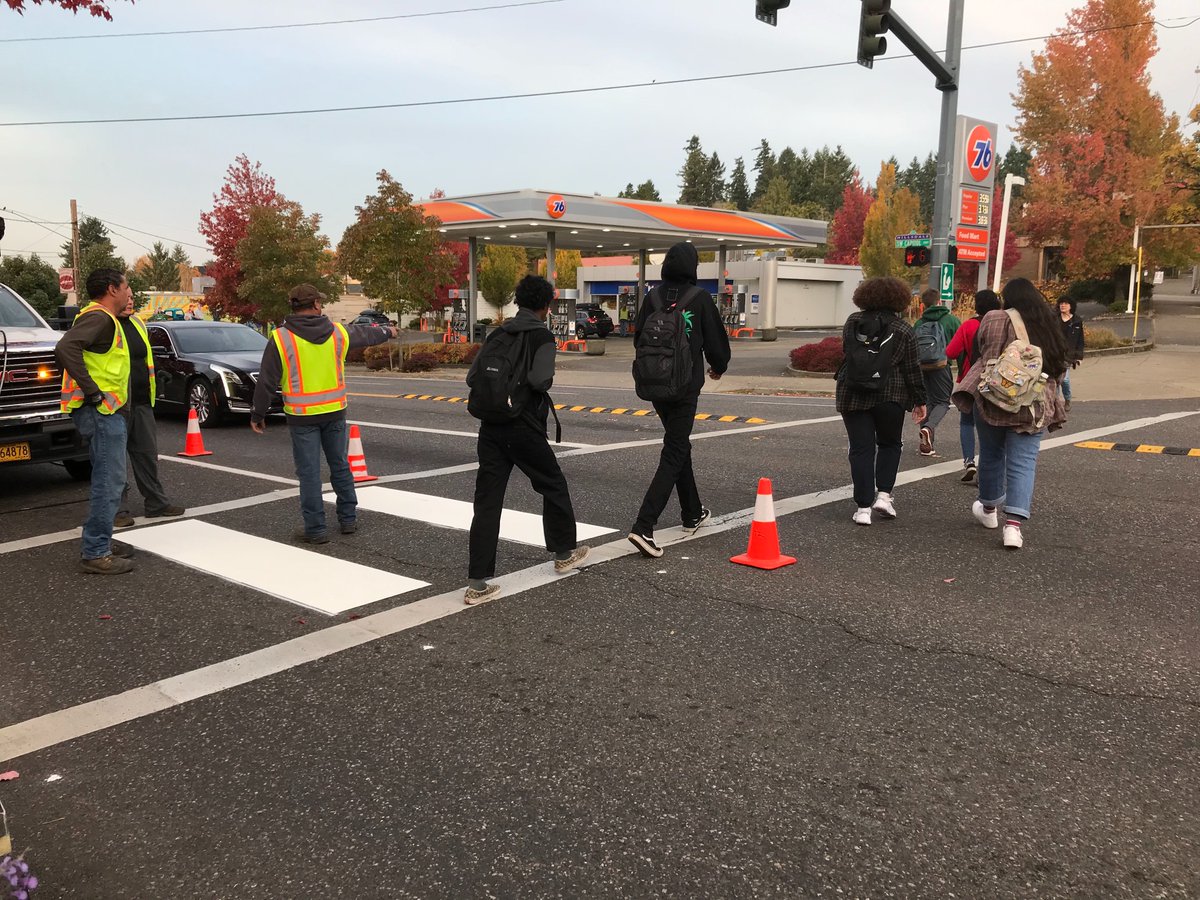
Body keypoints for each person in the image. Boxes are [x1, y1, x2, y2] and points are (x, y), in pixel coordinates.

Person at [465, 275, 589, 604]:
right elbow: (540, 380)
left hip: (490, 426)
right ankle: (564, 553)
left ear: (518, 301)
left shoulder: (498, 333)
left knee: (487, 501)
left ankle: (477, 583)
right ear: (546, 306)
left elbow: (472, 376)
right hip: (523, 425)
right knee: (552, 484)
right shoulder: (542, 336)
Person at [250, 284, 396, 543]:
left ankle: (316, 529)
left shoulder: (281, 338)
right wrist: (388, 331)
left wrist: (258, 413)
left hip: (301, 416)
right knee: (340, 465)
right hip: (334, 411)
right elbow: (366, 335)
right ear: (316, 304)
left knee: (309, 473)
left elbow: (267, 380)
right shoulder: (337, 332)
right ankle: (348, 519)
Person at [627, 241, 731, 558]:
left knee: (678, 443)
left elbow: (638, 338)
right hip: (685, 386)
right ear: (692, 266)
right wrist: (718, 366)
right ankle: (644, 526)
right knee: (674, 449)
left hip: (655, 384)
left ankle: (692, 513)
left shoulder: (653, 297)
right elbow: (716, 344)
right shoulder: (699, 298)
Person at [953, 278, 1068, 550]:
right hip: (1032, 403)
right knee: (1023, 462)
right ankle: (1013, 528)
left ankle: (989, 509)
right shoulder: (1047, 323)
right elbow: (1059, 365)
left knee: (991, 454)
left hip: (993, 398)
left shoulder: (994, 318)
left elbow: (984, 353)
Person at [56, 269, 136, 574]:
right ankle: (96, 551)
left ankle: (101, 541)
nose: (129, 293)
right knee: (110, 480)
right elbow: (65, 348)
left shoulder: (101, 318)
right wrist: (93, 392)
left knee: (107, 478)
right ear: (113, 289)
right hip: (102, 412)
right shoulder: (100, 318)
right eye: (126, 287)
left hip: (102, 411)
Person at [836, 277, 928, 525]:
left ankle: (863, 508)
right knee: (890, 444)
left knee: (861, 449)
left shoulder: (853, 322)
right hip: (891, 393)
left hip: (852, 392)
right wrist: (920, 399)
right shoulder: (904, 329)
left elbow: (848, 352)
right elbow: (912, 368)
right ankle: (884, 497)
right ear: (899, 299)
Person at [113, 295, 185, 528]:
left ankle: (156, 503)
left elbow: (145, 358)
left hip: (141, 401)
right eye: (125, 296)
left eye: (132, 297)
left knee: (147, 455)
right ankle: (117, 510)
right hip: (115, 404)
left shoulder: (137, 323)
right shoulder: (103, 323)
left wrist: (158, 377)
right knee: (115, 461)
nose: (130, 301)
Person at [945, 289, 1001, 484]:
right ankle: (987, 469)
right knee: (991, 426)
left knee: (967, 422)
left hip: (970, 379)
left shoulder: (969, 325)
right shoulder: (1003, 324)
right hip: (997, 382)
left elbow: (951, 352)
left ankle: (969, 461)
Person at [914, 288, 961, 457]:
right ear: (939, 301)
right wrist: (962, 372)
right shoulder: (951, 320)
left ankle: (926, 445)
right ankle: (929, 428)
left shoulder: (919, 323)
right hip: (941, 366)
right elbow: (961, 347)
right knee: (942, 402)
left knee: (925, 401)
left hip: (921, 367)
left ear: (923, 305)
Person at [1058, 297, 1085, 411]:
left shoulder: (1076, 321)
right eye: (1061, 303)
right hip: (1055, 353)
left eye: (1065, 303)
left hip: (1068, 355)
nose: (1062, 305)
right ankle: (1055, 402)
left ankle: (1067, 399)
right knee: (1055, 380)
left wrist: (1079, 356)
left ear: (1071, 306)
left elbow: (1080, 340)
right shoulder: (1054, 319)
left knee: (1064, 380)